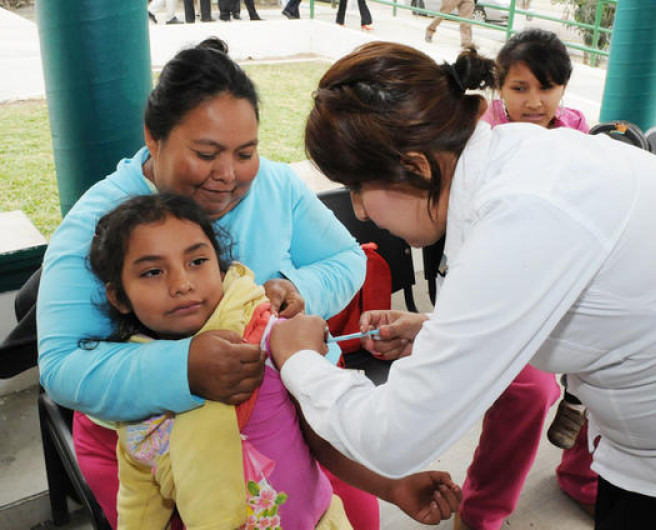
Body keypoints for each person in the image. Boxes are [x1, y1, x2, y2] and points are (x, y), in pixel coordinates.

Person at [272, 41, 656, 529]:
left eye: (358, 187)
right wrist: (436, 330)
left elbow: (394, 437)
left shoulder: (526, 209)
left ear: (416, 167)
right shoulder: (515, 162)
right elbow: (565, 298)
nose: (358, 210)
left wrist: (299, 360)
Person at [36, 37, 370, 528]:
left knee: (356, 514)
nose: (228, 176)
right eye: (206, 152)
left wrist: (297, 290)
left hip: (288, 416)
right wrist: (184, 368)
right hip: (150, 451)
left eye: (246, 152)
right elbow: (62, 365)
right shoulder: (97, 221)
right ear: (154, 137)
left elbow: (345, 258)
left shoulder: (275, 186)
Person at [87, 193, 461, 528]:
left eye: (198, 261)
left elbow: (324, 438)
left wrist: (394, 486)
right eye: (153, 271)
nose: (182, 283)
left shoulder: (268, 339)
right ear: (119, 296)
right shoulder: (132, 384)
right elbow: (139, 497)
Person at [448, 28, 596, 529]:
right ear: (498, 90)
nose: (534, 101)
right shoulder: (480, 142)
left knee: (609, 364)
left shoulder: (577, 131)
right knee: (530, 392)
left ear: (563, 89)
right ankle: (481, 509)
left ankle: (583, 474)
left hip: (567, 287)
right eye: (519, 88)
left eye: (547, 87)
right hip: (499, 295)